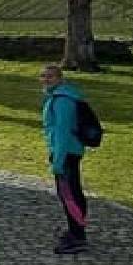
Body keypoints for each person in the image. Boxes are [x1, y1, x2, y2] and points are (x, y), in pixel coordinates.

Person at [40, 64, 89, 254]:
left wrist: (58, 161)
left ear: (60, 79)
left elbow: (62, 131)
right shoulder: (58, 97)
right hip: (66, 151)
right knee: (70, 193)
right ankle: (75, 230)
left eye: (50, 76)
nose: (46, 79)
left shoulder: (63, 100)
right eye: (43, 76)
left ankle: (78, 236)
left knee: (70, 195)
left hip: (66, 152)